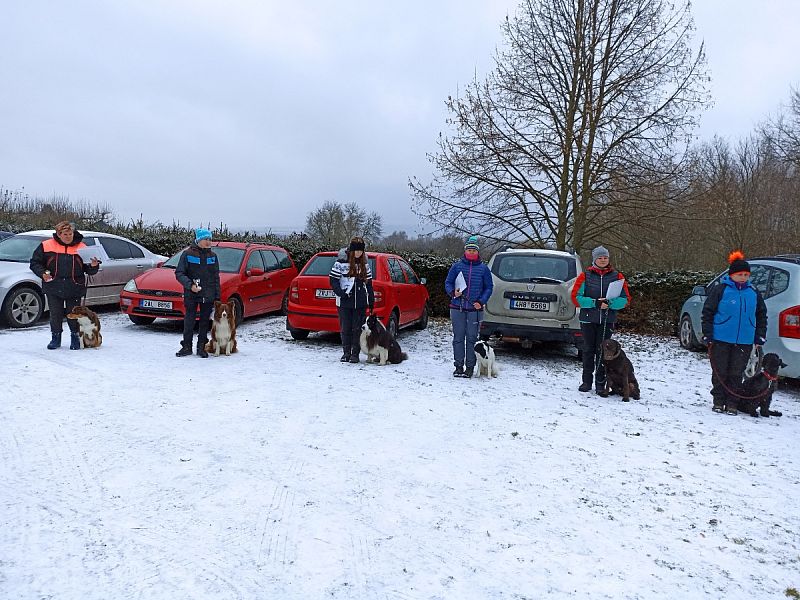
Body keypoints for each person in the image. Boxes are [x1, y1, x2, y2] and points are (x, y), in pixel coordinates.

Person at [701, 251, 767, 415]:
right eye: (740, 274)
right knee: (720, 371)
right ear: (732, 275)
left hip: (744, 339)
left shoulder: (753, 292)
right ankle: (718, 400)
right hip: (720, 338)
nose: (743, 277)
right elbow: (708, 312)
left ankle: (732, 402)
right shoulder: (721, 290)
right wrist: (708, 334)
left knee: (736, 373)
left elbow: (761, 315)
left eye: (746, 274)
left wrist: (760, 335)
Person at [29, 221, 100, 350]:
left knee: (74, 315)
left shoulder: (82, 247)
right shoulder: (46, 245)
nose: (68, 236)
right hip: (53, 286)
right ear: (58, 234)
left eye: (70, 233)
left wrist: (94, 266)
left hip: (74, 287)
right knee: (55, 314)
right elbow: (35, 263)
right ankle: (55, 339)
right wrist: (42, 273)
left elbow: (88, 269)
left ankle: (75, 338)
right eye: (65, 234)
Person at [571, 245, 631, 395]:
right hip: (588, 319)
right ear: (594, 259)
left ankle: (600, 383)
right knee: (588, 350)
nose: (603, 260)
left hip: (606, 320)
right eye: (600, 258)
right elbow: (575, 298)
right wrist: (594, 302)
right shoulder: (585, 276)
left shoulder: (618, 276)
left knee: (603, 352)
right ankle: (586, 381)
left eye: (605, 257)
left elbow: (625, 299)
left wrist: (610, 303)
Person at [444, 235, 493, 378]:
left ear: (477, 252)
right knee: (458, 338)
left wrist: (481, 301)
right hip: (457, 307)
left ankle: (470, 367)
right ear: (465, 251)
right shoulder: (457, 266)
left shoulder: (484, 269)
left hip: (475, 310)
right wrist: (453, 292)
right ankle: (458, 366)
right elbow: (448, 282)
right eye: (469, 250)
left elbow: (489, 287)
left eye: (474, 250)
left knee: (472, 338)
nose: (471, 252)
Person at [175, 228, 221, 358]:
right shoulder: (187, 254)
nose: (208, 242)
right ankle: (186, 347)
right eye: (206, 239)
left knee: (204, 322)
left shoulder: (213, 256)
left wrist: (217, 296)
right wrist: (190, 286)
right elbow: (179, 273)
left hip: (208, 294)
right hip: (192, 294)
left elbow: (216, 277)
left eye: (210, 239)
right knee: (189, 320)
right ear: (198, 240)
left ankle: (201, 347)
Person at [329, 237, 374, 363]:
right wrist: (340, 293)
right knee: (346, 328)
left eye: (361, 251)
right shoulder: (341, 263)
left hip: (360, 302)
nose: (359, 253)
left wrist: (371, 300)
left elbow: (369, 284)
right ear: (351, 250)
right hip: (344, 301)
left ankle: (355, 354)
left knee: (358, 329)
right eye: (356, 251)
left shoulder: (364, 264)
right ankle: (346, 353)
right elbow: (333, 279)